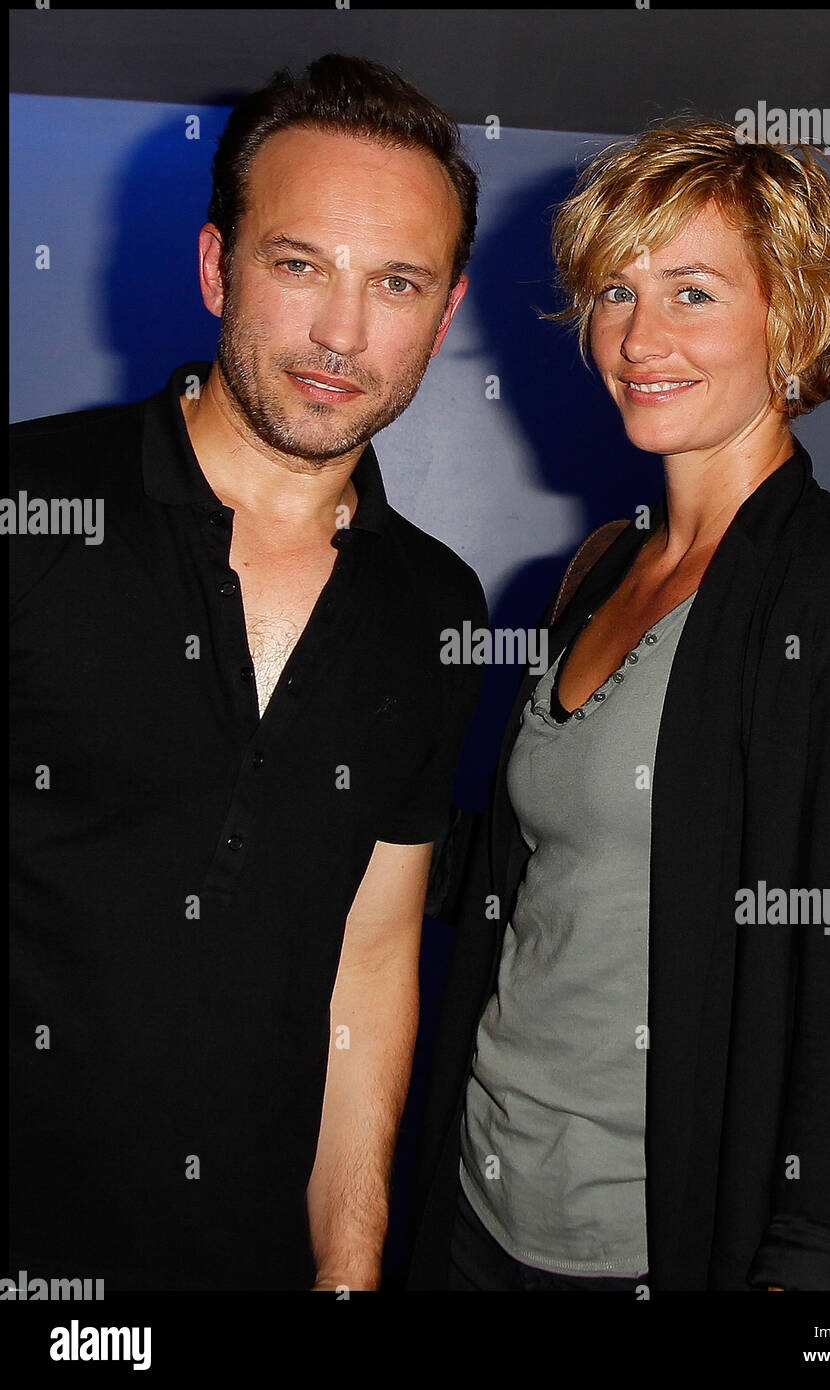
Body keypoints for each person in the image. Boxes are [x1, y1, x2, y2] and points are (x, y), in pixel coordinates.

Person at [409, 118, 830, 1292]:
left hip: (646, 1246)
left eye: (692, 291)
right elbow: (540, 872)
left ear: (794, 317)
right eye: (614, 291)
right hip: (479, 1192)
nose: (635, 337)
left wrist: (819, 1260)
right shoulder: (600, 568)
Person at [8, 53, 487, 1292]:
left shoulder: (435, 609)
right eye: (299, 264)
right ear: (218, 264)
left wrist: (350, 1267)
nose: (342, 332)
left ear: (445, 314)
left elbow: (373, 967)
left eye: (396, 283)